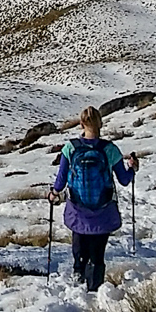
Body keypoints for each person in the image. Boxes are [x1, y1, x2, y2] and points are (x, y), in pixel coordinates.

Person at [49, 106, 137, 291]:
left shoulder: (70, 148)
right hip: (103, 210)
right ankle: (95, 289)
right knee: (97, 256)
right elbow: (123, 180)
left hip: (78, 210)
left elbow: (61, 180)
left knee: (80, 250)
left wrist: (54, 193)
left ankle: (77, 280)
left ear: (81, 124)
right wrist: (132, 168)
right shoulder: (110, 149)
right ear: (101, 124)